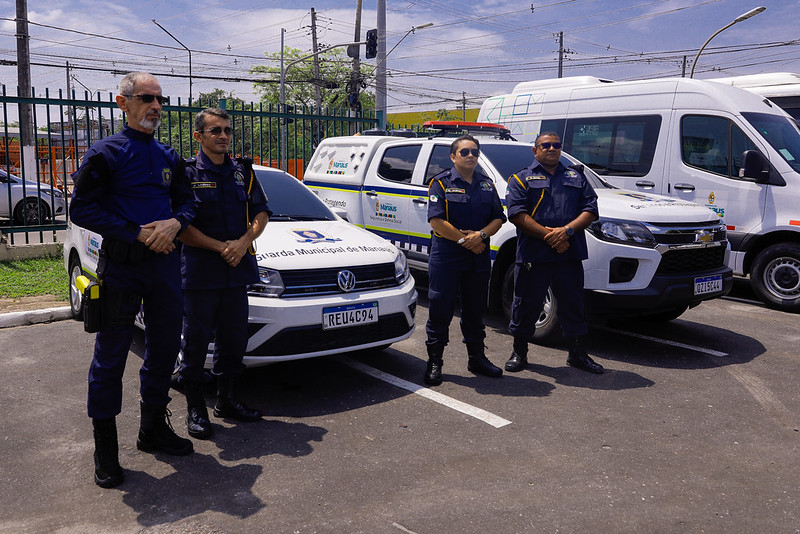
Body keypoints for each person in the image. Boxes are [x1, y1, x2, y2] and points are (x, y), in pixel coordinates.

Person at [70, 72, 196, 489]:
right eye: (147, 98)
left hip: (164, 269)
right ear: (123, 103)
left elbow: (188, 202)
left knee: (163, 351)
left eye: (160, 100)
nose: (156, 106)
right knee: (110, 358)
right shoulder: (105, 153)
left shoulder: (169, 155)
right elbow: (82, 210)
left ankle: (152, 430)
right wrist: (137, 232)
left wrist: (175, 223)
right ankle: (105, 450)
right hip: (122, 267)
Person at [177, 108, 271, 439]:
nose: (223, 136)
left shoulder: (242, 171)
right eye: (215, 131)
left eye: (227, 131)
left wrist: (244, 241)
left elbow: (261, 211)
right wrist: (223, 248)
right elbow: (180, 227)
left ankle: (227, 401)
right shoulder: (186, 173)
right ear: (198, 136)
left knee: (233, 340)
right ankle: (195, 409)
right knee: (196, 343)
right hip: (201, 273)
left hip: (236, 272)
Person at [504, 132, 604, 374]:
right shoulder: (520, 179)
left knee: (573, 304)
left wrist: (567, 231)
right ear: (535, 150)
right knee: (526, 304)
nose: (551, 149)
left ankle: (577, 354)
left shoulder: (576, 176)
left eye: (556, 145)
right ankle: (519, 352)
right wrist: (551, 237)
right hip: (534, 254)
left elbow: (591, 208)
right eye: (545, 145)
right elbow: (517, 214)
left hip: (568, 253)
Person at [424, 134, 507, 386]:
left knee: (474, 309)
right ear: (453, 156)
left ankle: (477, 358)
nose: (471, 155)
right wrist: (464, 241)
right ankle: (435, 362)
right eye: (465, 152)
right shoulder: (440, 183)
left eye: (475, 151)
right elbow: (436, 221)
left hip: (478, 256)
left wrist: (480, 235)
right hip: (448, 255)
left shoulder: (486, 184)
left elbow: (498, 218)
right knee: (440, 309)